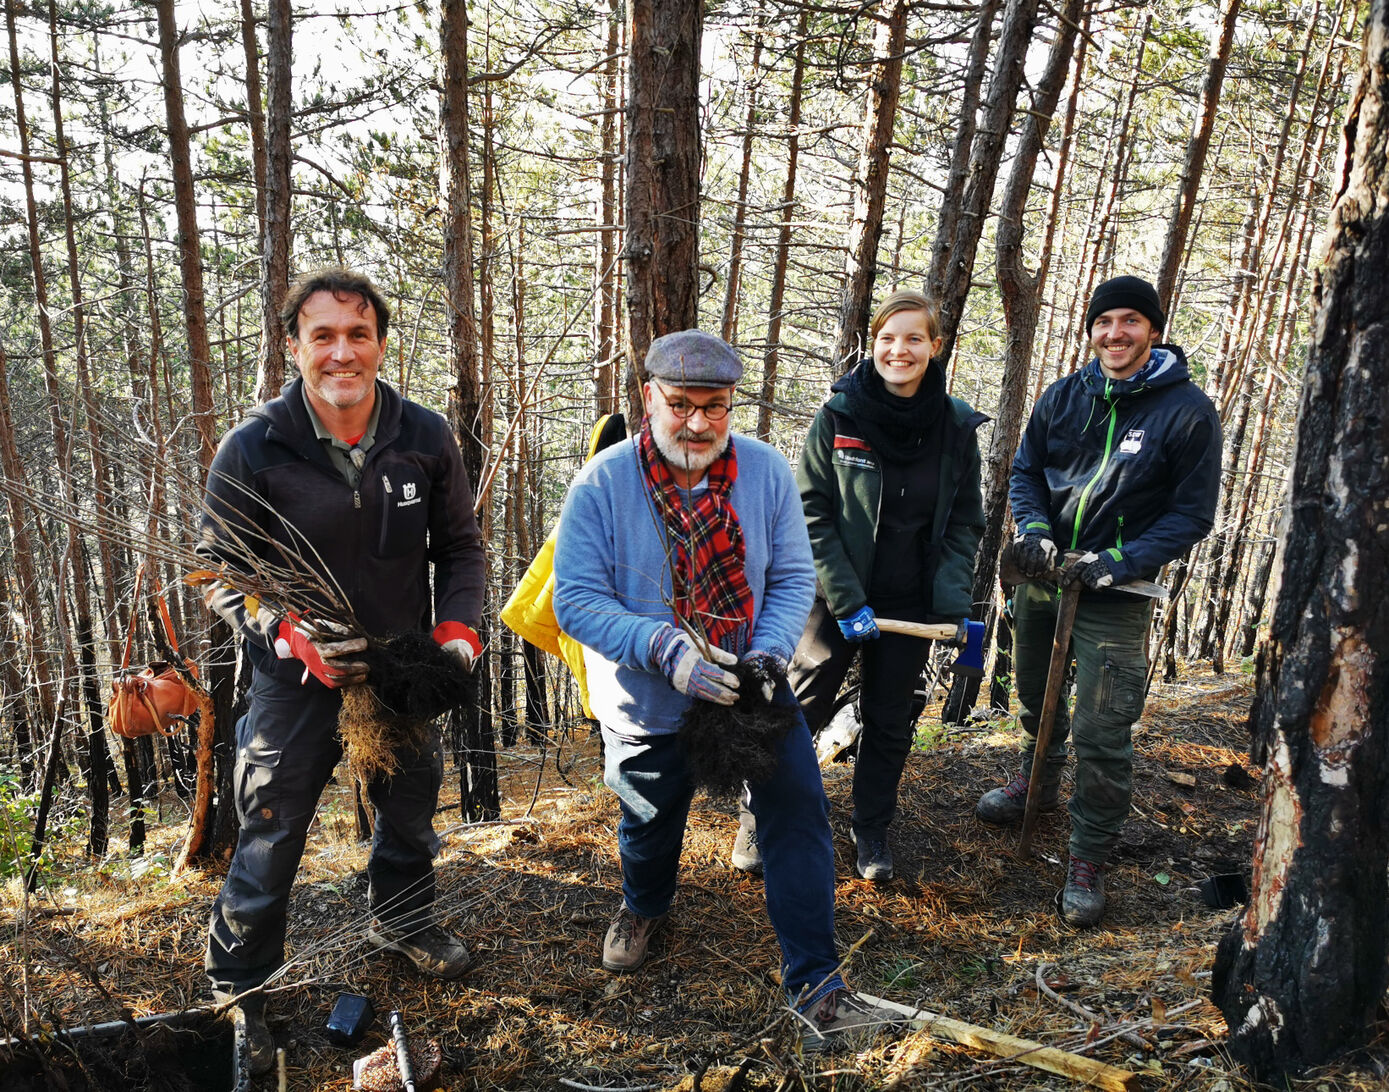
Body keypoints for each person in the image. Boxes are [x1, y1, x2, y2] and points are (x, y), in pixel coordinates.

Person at [552, 330, 901, 1050]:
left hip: (752, 693)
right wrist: (662, 648)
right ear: (650, 398)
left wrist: (766, 655)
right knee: (649, 826)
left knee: (798, 817)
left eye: (714, 407)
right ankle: (644, 905)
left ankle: (816, 982)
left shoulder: (766, 474)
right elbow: (577, 601)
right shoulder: (603, 483)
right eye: (680, 404)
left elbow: (793, 580)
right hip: (646, 701)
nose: (698, 423)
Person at [198, 268, 486, 1072]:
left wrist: (456, 631)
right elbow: (218, 570)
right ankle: (242, 986)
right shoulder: (255, 446)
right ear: (293, 346)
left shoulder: (423, 435)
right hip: (294, 678)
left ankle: (401, 920)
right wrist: (287, 633)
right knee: (271, 827)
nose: (341, 352)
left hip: (398, 669)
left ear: (381, 343)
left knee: (408, 805)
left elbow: (460, 547)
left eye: (357, 334)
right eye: (321, 335)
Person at [974, 275, 1221, 926]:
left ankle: (1087, 853)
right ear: (1091, 329)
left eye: (1130, 322)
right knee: (1035, 697)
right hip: (1043, 575)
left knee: (1102, 728)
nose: (1115, 333)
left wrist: (1116, 562)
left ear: (1153, 331)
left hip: (1116, 590)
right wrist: (1032, 534)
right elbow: (1025, 473)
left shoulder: (1186, 410)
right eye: (1103, 320)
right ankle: (1036, 780)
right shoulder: (1063, 397)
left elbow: (1190, 515)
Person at [730, 291, 986, 883]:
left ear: (935, 346)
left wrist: (947, 605)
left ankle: (871, 826)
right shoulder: (841, 416)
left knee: (891, 719)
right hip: (830, 596)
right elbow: (809, 513)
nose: (899, 350)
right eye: (887, 339)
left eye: (914, 338)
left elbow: (963, 524)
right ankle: (757, 815)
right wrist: (846, 600)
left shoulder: (954, 428)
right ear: (873, 345)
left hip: (909, 605)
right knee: (795, 704)